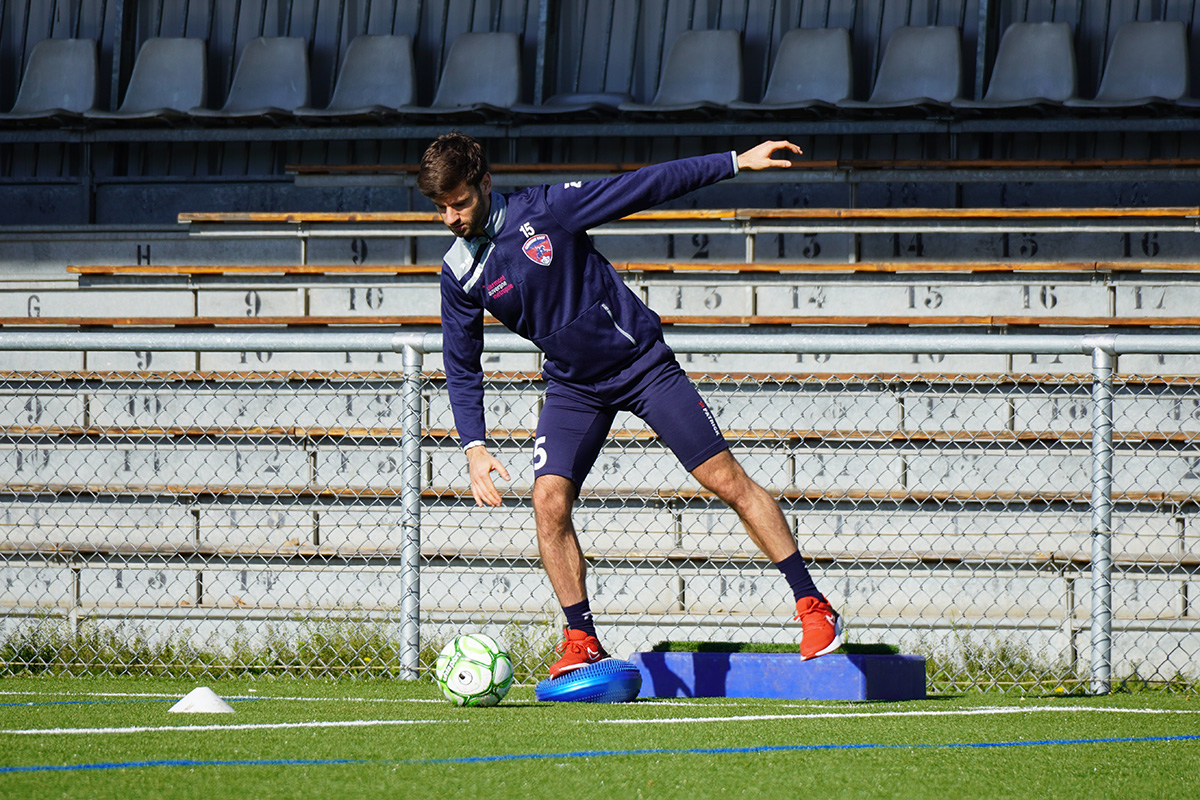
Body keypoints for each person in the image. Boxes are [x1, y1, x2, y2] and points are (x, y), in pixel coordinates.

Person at [419, 132, 841, 678]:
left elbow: (645, 185)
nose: (450, 218)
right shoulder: (458, 271)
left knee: (724, 479)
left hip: (642, 366)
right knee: (547, 499)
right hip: (574, 387)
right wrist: (474, 446)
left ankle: (813, 605)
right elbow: (461, 362)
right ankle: (582, 639)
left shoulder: (548, 209)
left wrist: (735, 161)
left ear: (484, 183)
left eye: (459, 203)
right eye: (440, 208)